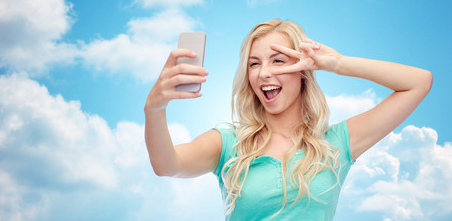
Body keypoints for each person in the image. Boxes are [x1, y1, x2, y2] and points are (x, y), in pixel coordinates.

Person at [144, 19, 432, 220]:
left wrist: (338, 63)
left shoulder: (336, 145)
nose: (264, 73)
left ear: (303, 69)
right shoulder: (229, 144)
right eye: (254, 63)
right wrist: (154, 109)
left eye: (278, 60)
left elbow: (419, 82)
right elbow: (167, 165)